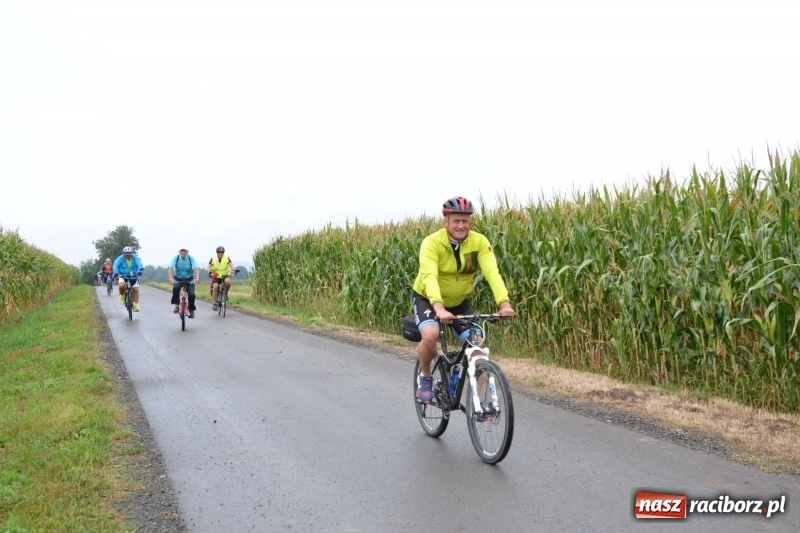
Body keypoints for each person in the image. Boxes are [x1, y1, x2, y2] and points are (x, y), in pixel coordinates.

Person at [411, 196, 516, 403]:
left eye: (465, 221)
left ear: (470, 222)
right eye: (456, 221)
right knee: (431, 335)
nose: (461, 226)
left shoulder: (478, 242)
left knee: (478, 349)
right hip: (428, 299)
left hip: (459, 301)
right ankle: (425, 376)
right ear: (446, 222)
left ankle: (476, 405)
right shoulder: (432, 243)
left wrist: (504, 304)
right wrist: (439, 308)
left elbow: (492, 273)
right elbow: (429, 276)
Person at [168, 245, 201, 318]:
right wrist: (171, 278)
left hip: (189, 279)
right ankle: (177, 305)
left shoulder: (190, 258)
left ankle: (191, 310)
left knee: (192, 294)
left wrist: (197, 278)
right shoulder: (176, 258)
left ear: (187, 251)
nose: (183, 252)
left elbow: (196, 268)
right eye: (182, 251)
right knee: (175, 289)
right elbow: (170, 268)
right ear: (179, 251)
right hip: (178, 279)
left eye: (184, 251)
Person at [113, 246, 144, 311]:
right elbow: (115, 265)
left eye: (129, 253)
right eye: (126, 253)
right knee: (121, 286)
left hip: (134, 275)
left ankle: (136, 305)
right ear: (124, 253)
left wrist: (140, 271)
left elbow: (139, 264)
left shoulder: (135, 258)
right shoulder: (120, 258)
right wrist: (116, 272)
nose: (128, 254)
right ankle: (122, 295)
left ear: (131, 253)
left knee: (136, 290)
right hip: (123, 275)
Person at [208, 246, 236, 311]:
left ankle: (225, 293)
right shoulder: (213, 258)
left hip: (225, 274)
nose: (220, 253)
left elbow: (231, 265)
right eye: (219, 252)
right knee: (215, 287)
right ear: (217, 253)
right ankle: (214, 303)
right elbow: (209, 266)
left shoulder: (226, 258)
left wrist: (233, 271)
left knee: (228, 282)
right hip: (216, 275)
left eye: (222, 252)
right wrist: (209, 272)